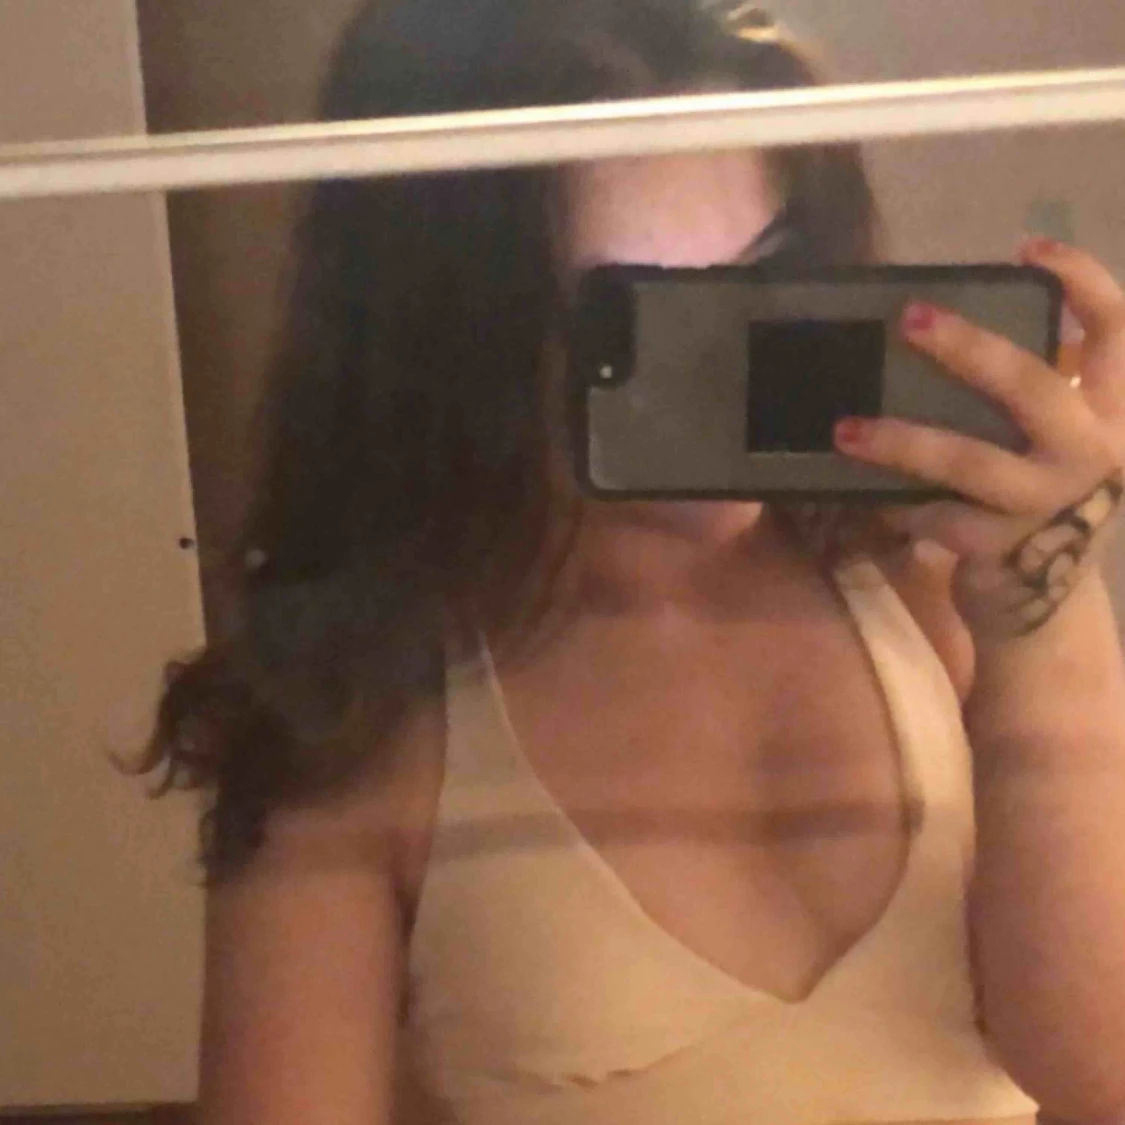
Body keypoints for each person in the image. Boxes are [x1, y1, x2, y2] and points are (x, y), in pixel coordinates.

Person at [140, 1, 1125, 1122]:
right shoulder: (365, 709)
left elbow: (1100, 1072)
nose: (718, 377)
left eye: (758, 280)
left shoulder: (945, 590)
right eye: (633, 320)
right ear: (453, 333)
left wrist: (1045, 620)